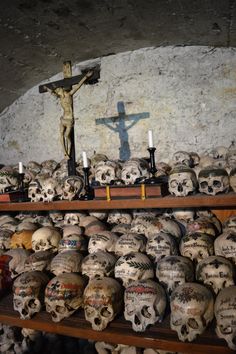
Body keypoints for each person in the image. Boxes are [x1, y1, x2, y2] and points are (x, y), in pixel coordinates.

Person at [44, 70, 93, 159]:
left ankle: (69, 150)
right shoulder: (60, 97)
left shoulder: (69, 94)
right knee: (61, 135)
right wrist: (47, 88)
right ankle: (65, 153)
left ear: (61, 90)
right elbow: (52, 93)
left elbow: (78, 86)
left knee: (67, 136)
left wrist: (86, 77)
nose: (58, 93)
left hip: (69, 119)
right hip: (63, 119)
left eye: (58, 91)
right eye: (57, 93)